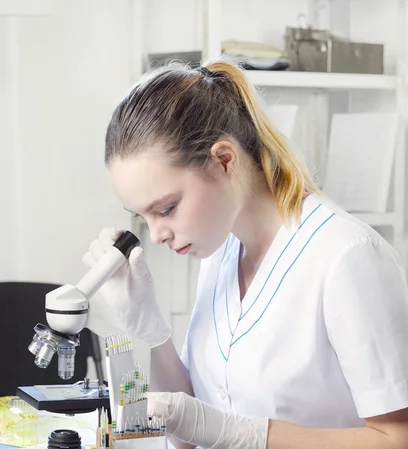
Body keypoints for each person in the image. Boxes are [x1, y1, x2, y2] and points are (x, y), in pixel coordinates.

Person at [82, 58, 408, 448]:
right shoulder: (220, 251)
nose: (157, 235)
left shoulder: (346, 256)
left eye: (167, 208)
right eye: (143, 216)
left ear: (224, 161)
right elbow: (191, 427)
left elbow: (397, 437)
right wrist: (152, 334)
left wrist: (246, 435)